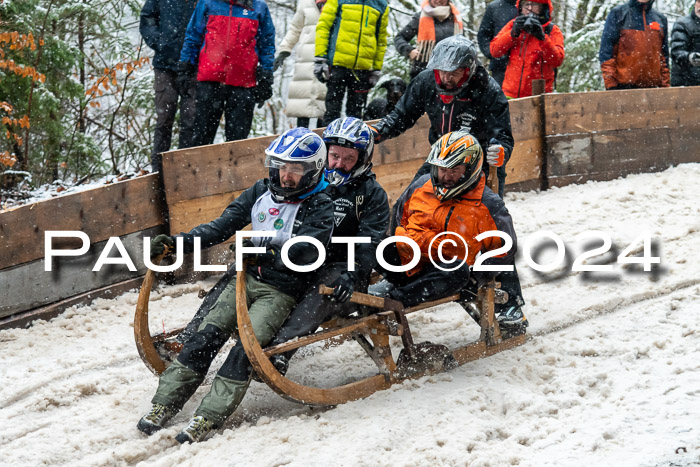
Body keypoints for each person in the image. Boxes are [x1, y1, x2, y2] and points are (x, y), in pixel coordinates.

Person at [136, 128, 334, 443]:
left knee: (246, 349)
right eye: (281, 166)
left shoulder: (322, 204)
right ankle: (163, 404)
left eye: (295, 169)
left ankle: (208, 416)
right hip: (244, 278)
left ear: (313, 170)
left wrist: (264, 251)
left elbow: (307, 250)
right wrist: (178, 244)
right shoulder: (260, 191)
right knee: (206, 336)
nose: (286, 176)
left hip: (281, 290)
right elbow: (222, 226)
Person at [264, 117, 390, 374]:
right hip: (305, 258)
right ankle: (198, 335)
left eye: (348, 159)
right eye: (334, 156)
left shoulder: (372, 194)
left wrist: (353, 272)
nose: (339, 165)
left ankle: (282, 349)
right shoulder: (309, 180)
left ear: (362, 160)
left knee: (327, 284)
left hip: (344, 271)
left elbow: (370, 242)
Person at [374, 130, 527, 332]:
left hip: (446, 271)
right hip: (409, 261)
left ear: (470, 169)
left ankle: (394, 300)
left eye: (454, 170)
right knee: (373, 242)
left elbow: (504, 248)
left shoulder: (487, 204)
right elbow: (398, 219)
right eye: (441, 169)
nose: (446, 176)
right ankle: (368, 288)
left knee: (457, 271)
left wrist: (480, 275)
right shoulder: (420, 186)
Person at [370, 36, 514, 199]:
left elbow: (503, 136)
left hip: (479, 163)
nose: (447, 78)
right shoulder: (426, 81)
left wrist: (501, 151)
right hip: (440, 159)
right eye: (443, 71)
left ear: (468, 70)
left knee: (484, 216)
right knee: (409, 203)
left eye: (454, 72)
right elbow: (402, 115)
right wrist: (377, 131)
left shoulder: (488, 91)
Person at [178, 0, 275, 146]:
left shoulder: (258, 7)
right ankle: (201, 169)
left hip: (243, 83)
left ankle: (235, 169)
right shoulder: (208, 3)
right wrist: (185, 66)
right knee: (201, 139)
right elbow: (193, 35)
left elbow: (267, 43)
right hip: (209, 80)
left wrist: (266, 75)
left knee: (238, 142)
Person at [139, 0, 198, 173]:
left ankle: (184, 170)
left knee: (191, 121)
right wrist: (160, 42)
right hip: (165, 66)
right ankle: (158, 171)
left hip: (193, 67)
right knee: (164, 120)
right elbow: (147, 17)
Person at [313, 0, 389, 123]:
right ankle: (329, 141)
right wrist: (320, 58)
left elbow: (381, 39)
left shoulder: (381, 5)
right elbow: (323, 27)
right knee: (332, 113)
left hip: (363, 70)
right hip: (337, 65)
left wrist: (376, 68)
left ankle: (353, 141)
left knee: (355, 116)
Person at [489, 0, 564, 98]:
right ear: (520, 7)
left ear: (542, 7)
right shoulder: (513, 25)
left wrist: (542, 38)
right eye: (526, 5)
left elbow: (557, 60)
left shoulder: (552, 30)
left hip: (539, 96)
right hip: (510, 93)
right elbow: (495, 51)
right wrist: (512, 34)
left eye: (534, 4)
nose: (529, 8)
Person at [274, 0, 327, 128]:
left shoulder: (338, 3)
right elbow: (295, 29)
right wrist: (285, 49)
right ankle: (301, 138)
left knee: (325, 103)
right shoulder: (305, 3)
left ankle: (324, 139)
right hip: (305, 58)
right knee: (302, 101)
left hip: (327, 57)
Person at [599, 0, 670, 90]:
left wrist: (665, 86)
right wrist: (611, 85)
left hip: (654, 88)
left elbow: (664, 56)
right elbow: (606, 52)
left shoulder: (660, 19)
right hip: (623, 87)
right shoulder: (618, 14)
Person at [394, 0, 463, 80]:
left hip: (450, 72)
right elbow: (399, 38)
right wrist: (409, 51)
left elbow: (463, 44)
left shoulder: (456, 18)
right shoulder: (420, 17)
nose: (439, 0)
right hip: (423, 70)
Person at [477, 0, 518, 86]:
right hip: (500, 66)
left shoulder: (530, 6)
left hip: (526, 66)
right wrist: (490, 52)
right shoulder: (494, 7)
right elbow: (483, 34)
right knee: (501, 97)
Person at [670, 0, 700, 87]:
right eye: (698, 1)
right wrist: (691, 57)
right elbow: (676, 52)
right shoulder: (682, 24)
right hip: (686, 82)